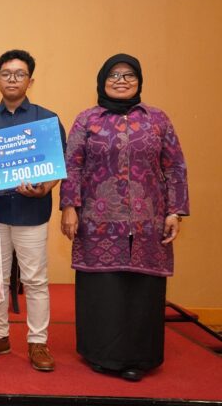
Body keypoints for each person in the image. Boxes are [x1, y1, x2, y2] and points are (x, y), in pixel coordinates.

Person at [60, 53, 189, 382]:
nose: (121, 80)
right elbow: (72, 165)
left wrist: (175, 210)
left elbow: (175, 166)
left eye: (129, 75)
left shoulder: (157, 119)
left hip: (148, 222)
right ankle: (100, 355)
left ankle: (139, 359)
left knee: (141, 292)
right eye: (114, 75)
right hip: (97, 221)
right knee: (103, 291)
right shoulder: (87, 119)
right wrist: (69, 206)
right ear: (102, 81)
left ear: (139, 80)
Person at [0, 49, 65, 372]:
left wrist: (44, 188)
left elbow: (57, 166)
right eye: (6, 74)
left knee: (35, 280)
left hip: (31, 213)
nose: (12, 79)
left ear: (30, 80)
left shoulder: (46, 121)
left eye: (19, 74)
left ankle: (38, 342)